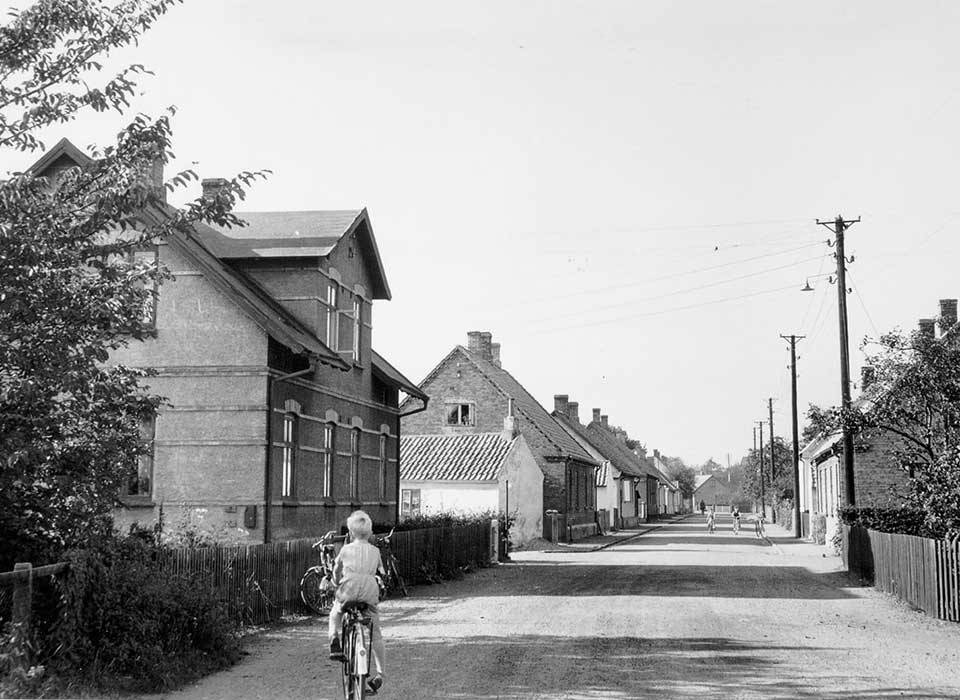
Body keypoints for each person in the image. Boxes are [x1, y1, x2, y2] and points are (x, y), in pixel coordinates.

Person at [328, 510, 387, 694]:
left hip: (349, 589)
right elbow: (382, 573)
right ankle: (380, 674)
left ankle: (334, 639)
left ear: (351, 533)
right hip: (369, 592)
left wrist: (335, 582)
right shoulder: (375, 551)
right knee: (375, 632)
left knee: (335, 613)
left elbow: (337, 570)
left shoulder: (345, 550)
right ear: (369, 533)